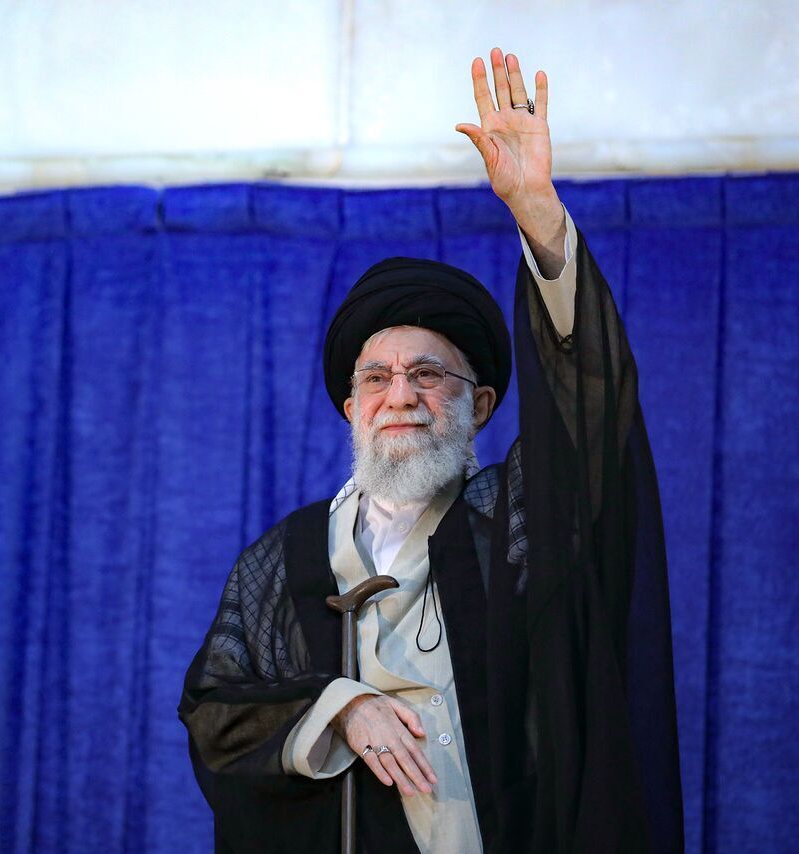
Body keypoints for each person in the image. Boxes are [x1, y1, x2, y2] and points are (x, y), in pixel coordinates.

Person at [179, 49, 682, 853]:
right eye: (375, 378)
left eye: (428, 375)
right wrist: (339, 705)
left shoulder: (514, 523)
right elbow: (216, 711)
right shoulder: (282, 559)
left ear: (480, 405)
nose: (400, 395)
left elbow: (593, 424)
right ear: (350, 408)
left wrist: (541, 219)